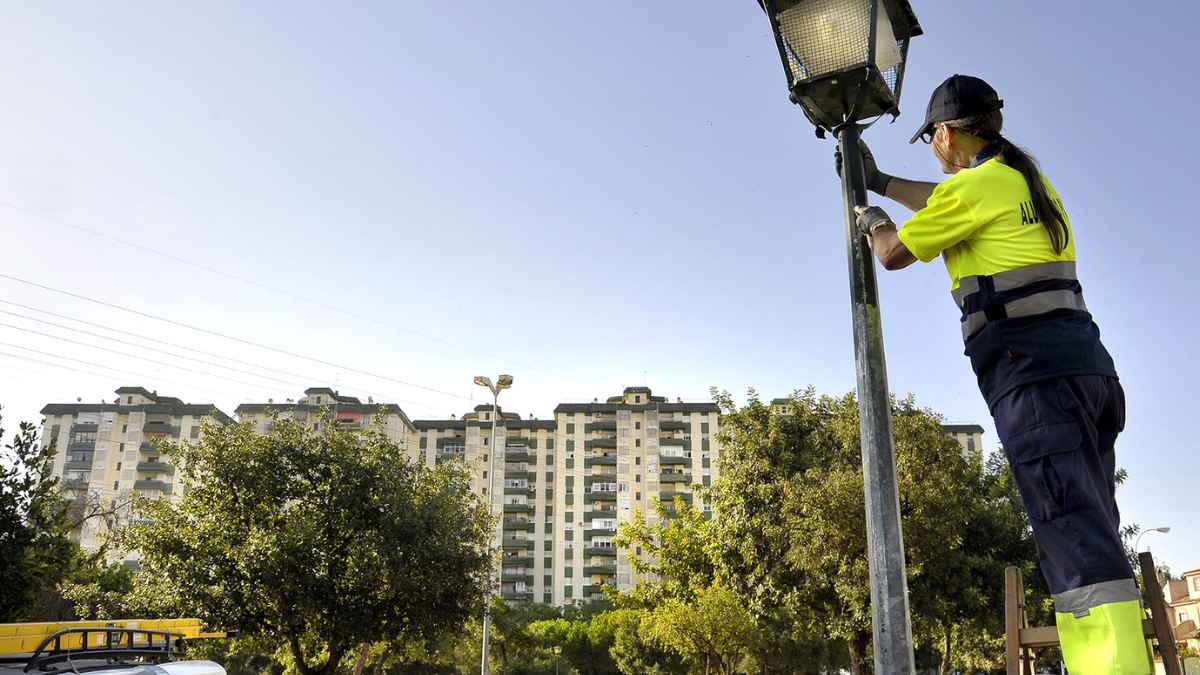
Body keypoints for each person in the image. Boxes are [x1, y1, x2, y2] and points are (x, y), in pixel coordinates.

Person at [846, 74, 1151, 674]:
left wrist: (873, 215)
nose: (932, 145)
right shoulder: (1023, 181)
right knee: (1089, 525)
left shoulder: (978, 185)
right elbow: (945, 200)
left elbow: (893, 253)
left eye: (932, 135)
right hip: (1085, 372)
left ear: (948, 133)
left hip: (1034, 378)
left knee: (1071, 533)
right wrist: (880, 178)